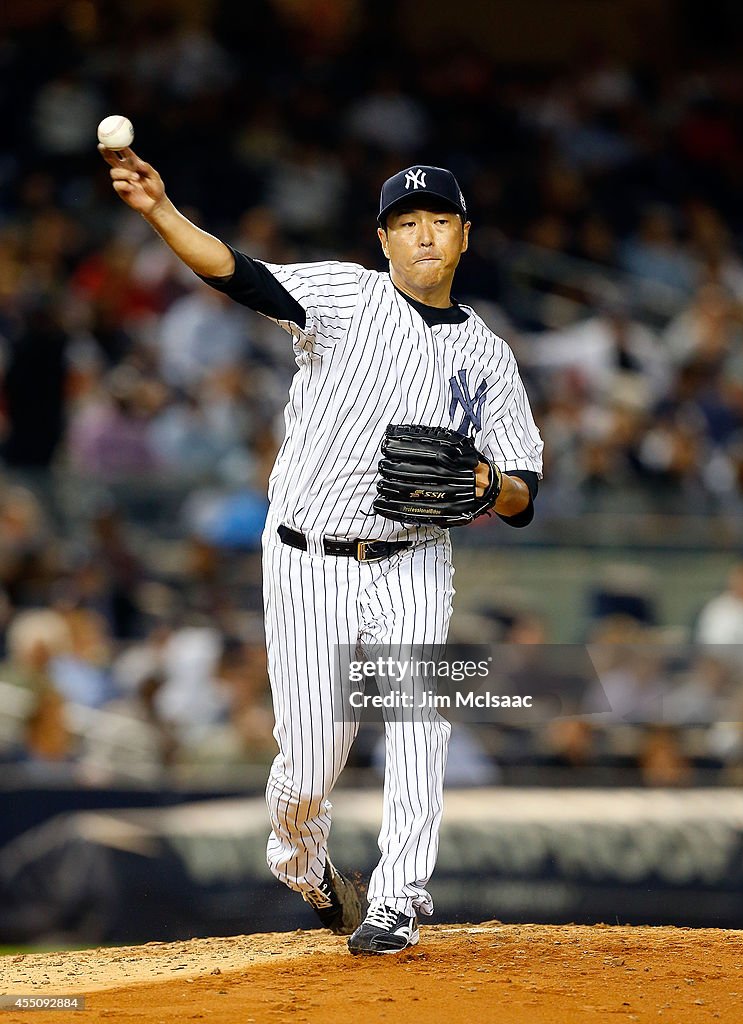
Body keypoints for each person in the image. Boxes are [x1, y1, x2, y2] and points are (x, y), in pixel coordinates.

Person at [100, 145, 544, 955]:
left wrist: (487, 486)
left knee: (419, 719)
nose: (421, 236)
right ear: (383, 240)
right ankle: (303, 865)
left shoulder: (488, 355)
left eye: (437, 220)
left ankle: (400, 900)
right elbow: (238, 273)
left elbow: (523, 490)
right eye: (404, 223)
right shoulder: (344, 294)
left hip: (414, 556)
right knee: (310, 757)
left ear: (464, 235)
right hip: (307, 556)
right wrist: (162, 213)